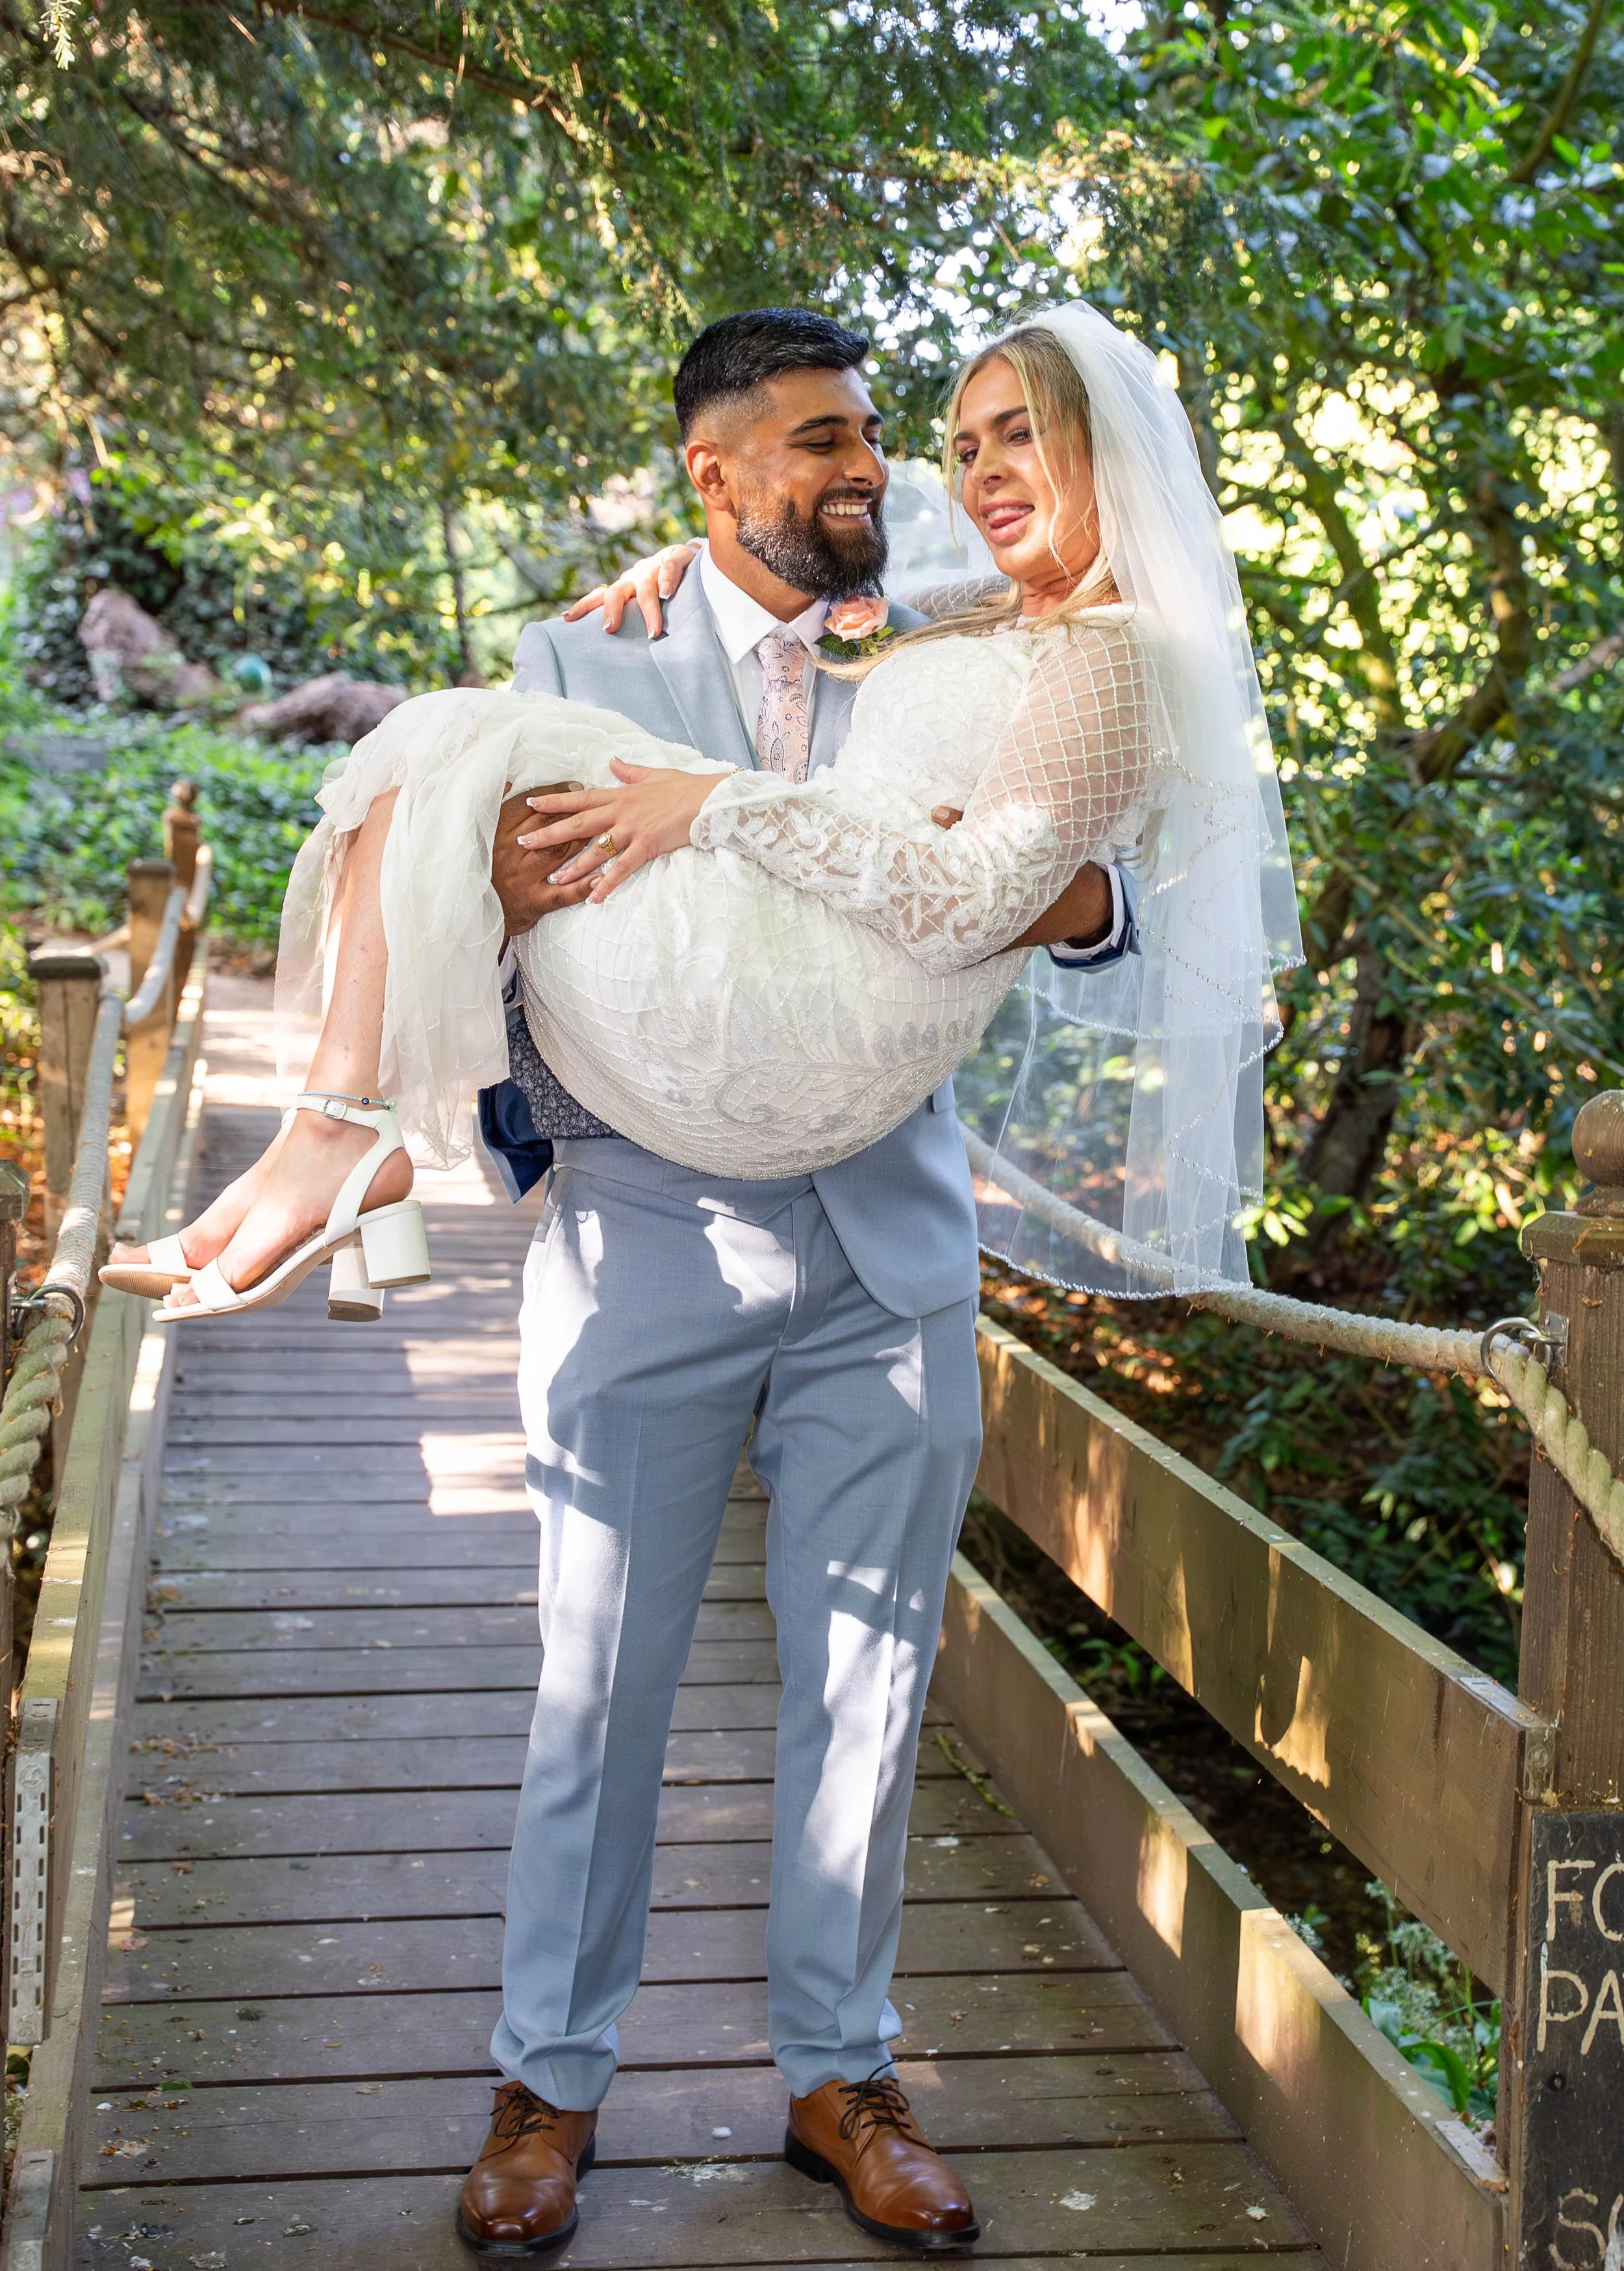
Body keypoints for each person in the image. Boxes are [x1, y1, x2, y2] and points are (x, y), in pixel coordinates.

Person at [103, 302, 1291, 2257]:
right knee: (598, 1687)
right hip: (643, 1231)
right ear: (712, 475)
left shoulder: (932, 618)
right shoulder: (582, 658)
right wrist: (499, 930)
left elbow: (1100, 887)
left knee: (868, 1686)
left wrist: (1069, 896)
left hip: (888, 1240)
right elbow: (486, 917)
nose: (880, 474)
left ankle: (842, 2071)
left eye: (883, 442)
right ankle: (546, 2080)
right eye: (828, 446)